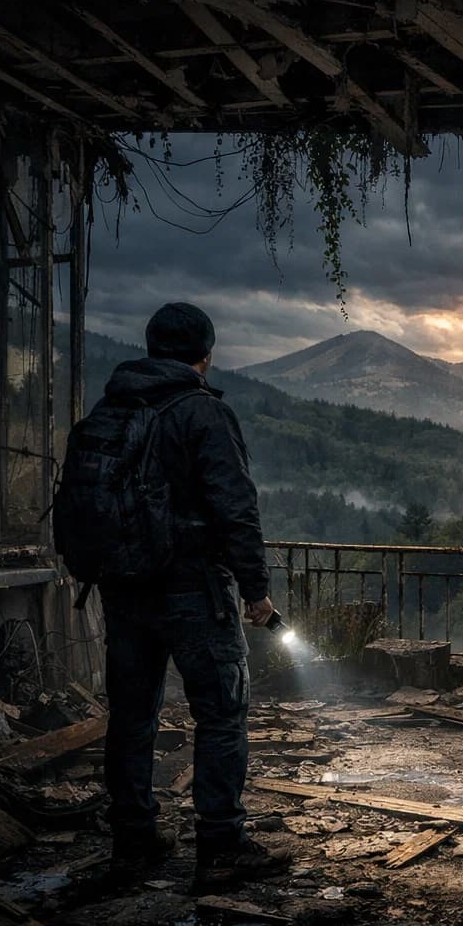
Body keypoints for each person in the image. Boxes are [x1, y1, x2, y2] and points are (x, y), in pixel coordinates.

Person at [97, 302, 291, 887]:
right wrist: (256, 591)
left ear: (152, 348)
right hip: (193, 588)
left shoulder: (114, 407)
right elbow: (234, 506)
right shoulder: (201, 413)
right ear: (205, 355)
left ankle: (134, 840)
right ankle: (222, 845)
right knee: (222, 712)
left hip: (124, 587)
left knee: (131, 716)